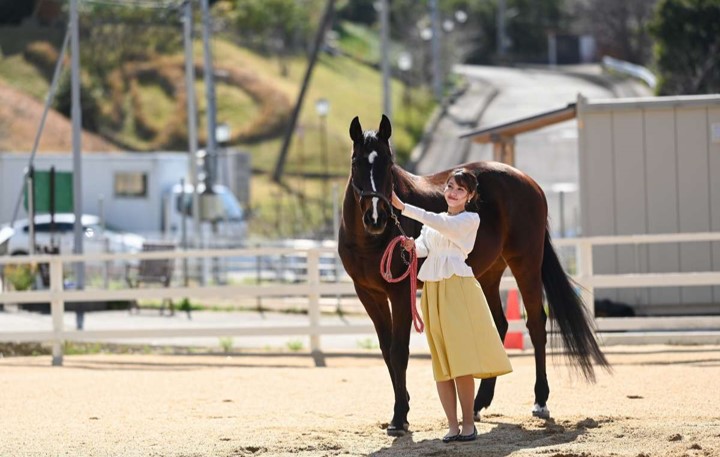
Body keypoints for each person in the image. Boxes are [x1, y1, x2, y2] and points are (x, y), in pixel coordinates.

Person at [390, 167, 512, 443]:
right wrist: (411, 245)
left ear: (469, 196)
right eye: (449, 187)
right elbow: (424, 246)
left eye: (459, 189)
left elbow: (440, 226)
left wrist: (403, 207)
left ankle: (468, 424)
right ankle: (452, 426)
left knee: (460, 360)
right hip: (432, 289)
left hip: (457, 287)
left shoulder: (470, 219)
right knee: (442, 360)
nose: (452, 193)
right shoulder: (437, 221)